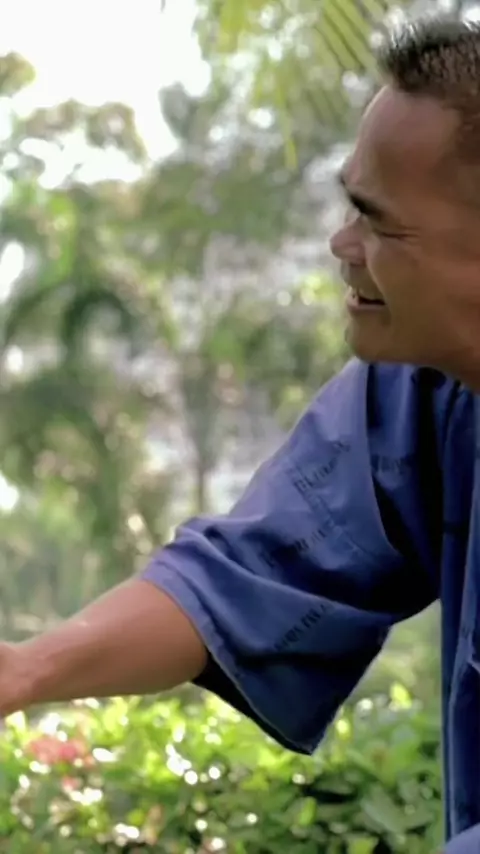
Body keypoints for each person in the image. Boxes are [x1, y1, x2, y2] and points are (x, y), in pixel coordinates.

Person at [3, 13, 480, 853]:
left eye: (380, 223)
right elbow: (245, 575)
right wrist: (23, 671)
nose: (341, 245)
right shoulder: (428, 392)